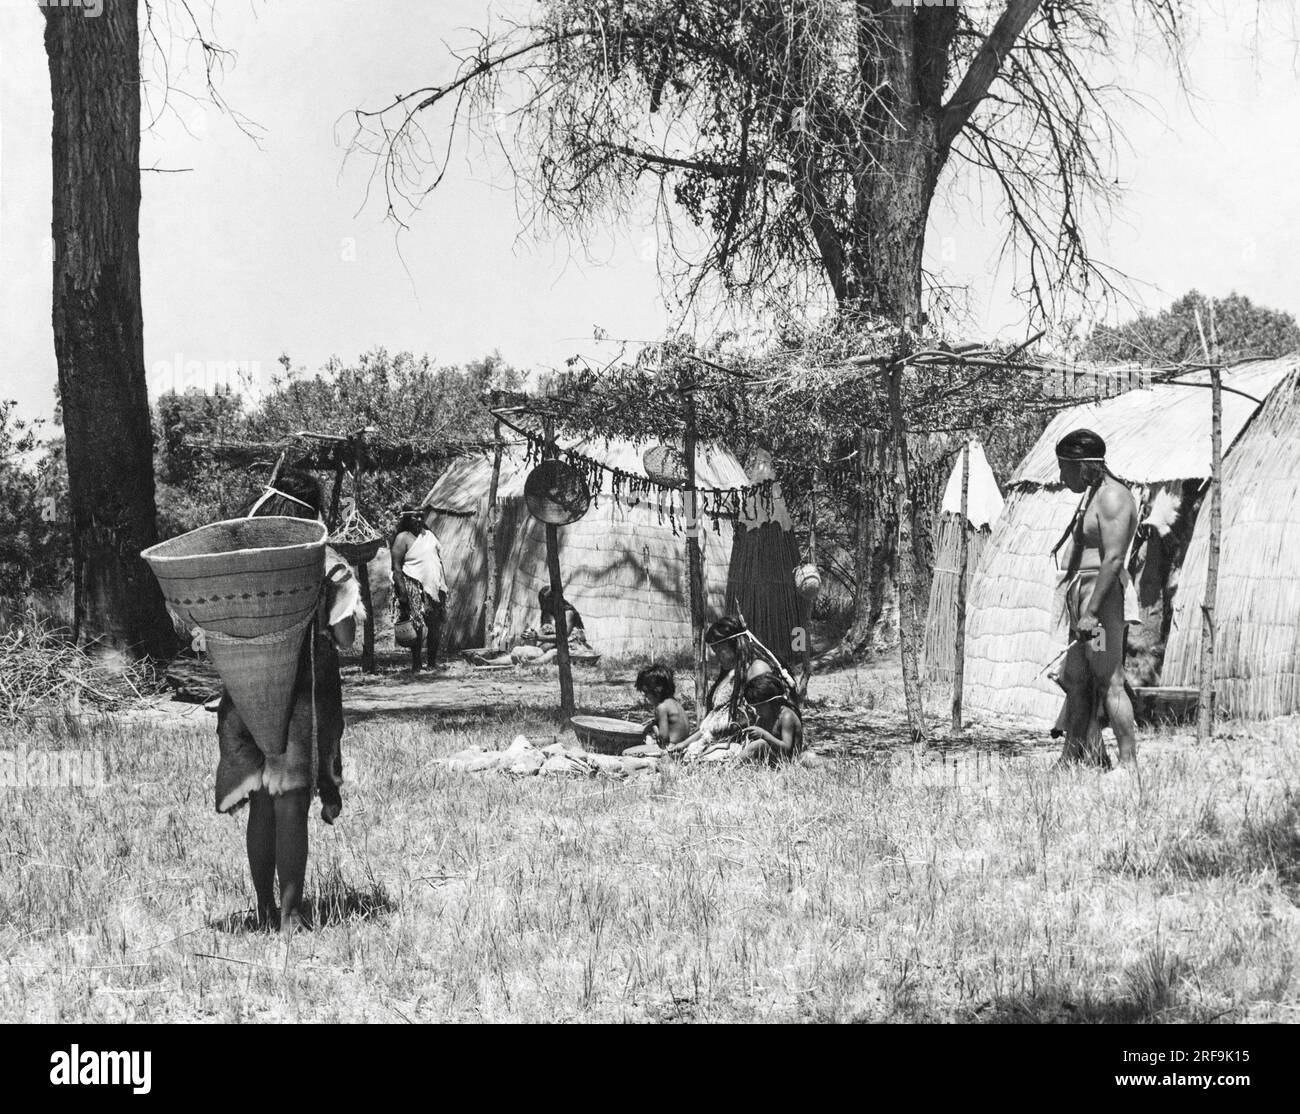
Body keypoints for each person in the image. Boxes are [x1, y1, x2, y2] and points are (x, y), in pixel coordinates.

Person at [215, 469, 364, 933]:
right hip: (299, 701)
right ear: (313, 514)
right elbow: (344, 636)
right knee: (290, 802)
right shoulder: (326, 563)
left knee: (261, 801)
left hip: (245, 693)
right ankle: (291, 914)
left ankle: (263, 906)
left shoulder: (243, 559)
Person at [1052, 428, 1140, 770]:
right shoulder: (1092, 495)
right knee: (1074, 678)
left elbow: (1113, 560)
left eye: (1065, 468)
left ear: (1084, 464)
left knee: (1108, 680)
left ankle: (1128, 766)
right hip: (1083, 599)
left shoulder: (1113, 498)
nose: (1062, 477)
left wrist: (1090, 612)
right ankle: (1074, 758)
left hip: (1100, 606)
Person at [669, 616, 795, 759]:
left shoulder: (756, 669)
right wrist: (685, 743)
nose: (716, 657)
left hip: (744, 743)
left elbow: (765, 717)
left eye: (719, 650)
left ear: (735, 644)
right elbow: (713, 721)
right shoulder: (730, 673)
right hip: (721, 740)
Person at [390, 504, 448, 672]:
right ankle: (416, 664)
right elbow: (397, 568)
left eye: (421, 516)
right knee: (417, 627)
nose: (419, 520)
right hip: (413, 587)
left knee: (434, 626)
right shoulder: (402, 538)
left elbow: (439, 560)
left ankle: (431, 663)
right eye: (415, 516)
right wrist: (402, 594)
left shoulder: (429, 535)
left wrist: (443, 583)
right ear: (407, 518)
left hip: (434, 589)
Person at [735, 673, 809, 765]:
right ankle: (733, 763)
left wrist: (763, 734)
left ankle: (731, 767)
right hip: (770, 760)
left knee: (760, 744)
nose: (757, 712)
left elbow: (787, 748)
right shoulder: (764, 717)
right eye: (755, 708)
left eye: (760, 707)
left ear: (775, 702)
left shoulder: (786, 716)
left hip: (786, 762)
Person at [635, 663, 689, 748]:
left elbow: (664, 739)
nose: (645, 696)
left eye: (646, 692)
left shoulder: (661, 707)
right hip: (682, 745)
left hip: (671, 749)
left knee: (626, 752)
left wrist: (653, 728)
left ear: (657, 690)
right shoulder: (674, 702)